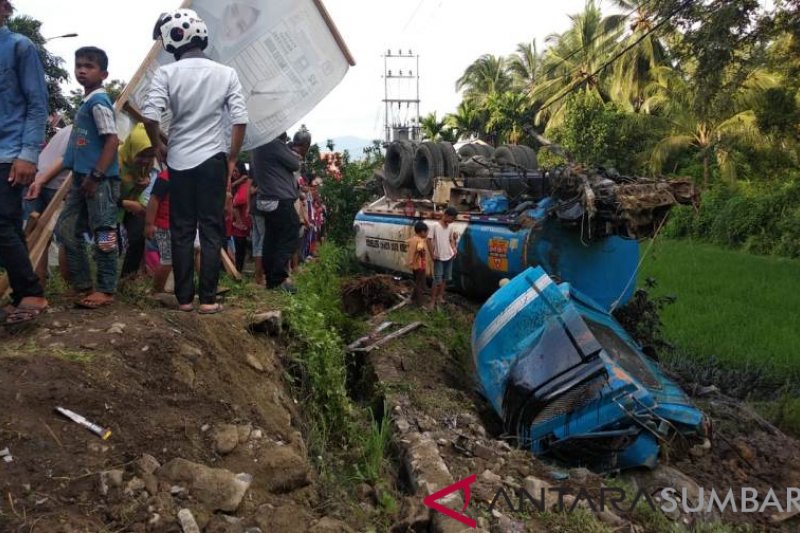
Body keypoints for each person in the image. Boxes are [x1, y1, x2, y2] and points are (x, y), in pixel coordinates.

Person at [142, 8, 249, 314]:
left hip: (179, 160)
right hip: (214, 159)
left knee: (182, 229)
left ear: (174, 41)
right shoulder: (226, 73)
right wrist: (231, 158)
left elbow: (151, 116)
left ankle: (185, 299)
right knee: (212, 230)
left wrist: (157, 144)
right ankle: (210, 300)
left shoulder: (166, 73)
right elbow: (240, 120)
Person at [56, 46, 121, 310]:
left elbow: (112, 140)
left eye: (89, 66)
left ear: (103, 74)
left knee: (105, 232)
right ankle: (83, 285)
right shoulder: (86, 102)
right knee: (66, 229)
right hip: (81, 178)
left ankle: (106, 289)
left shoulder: (99, 103)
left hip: (100, 181)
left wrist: (96, 175)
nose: (82, 70)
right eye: (79, 65)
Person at [0, 0, 49, 325]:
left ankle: (30, 292)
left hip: (10, 153)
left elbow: (37, 103)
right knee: (8, 225)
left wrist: (28, 154)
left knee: (2, 223)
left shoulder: (20, 47)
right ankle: (24, 293)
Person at [251, 132, 302, 293]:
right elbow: (295, 164)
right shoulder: (272, 144)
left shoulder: (257, 145)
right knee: (290, 232)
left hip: (266, 198)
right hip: (279, 199)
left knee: (271, 239)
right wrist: (288, 149)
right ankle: (279, 277)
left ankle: (271, 279)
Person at [25, 125, 72, 284]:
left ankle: (38, 286)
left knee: (39, 237)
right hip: (53, 185)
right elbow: (66, 158)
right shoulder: (85, 130)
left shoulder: (68, 128)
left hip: (39, 178)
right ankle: (73, 287)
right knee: (67, 238)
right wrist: (41, 181)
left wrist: (39, 180)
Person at [118, 123, 156, 278]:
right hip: (108, 207)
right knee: (107, 243)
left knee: (138, 237)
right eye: (141, 155)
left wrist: (145, 181)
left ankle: (127, 278)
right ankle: (103, 284)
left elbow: (143, 177)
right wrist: (125, 204)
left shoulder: (146, 164)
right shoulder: (114, 163)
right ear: (133, 148)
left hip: (133, 202)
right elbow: (102, 197)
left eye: (150, 155)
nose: (146, 161)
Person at [144, 169, 172, 295]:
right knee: (167, 259)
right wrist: (149, 224)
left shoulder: (184, 174)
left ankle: (160, 290)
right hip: (163, 225)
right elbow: (154, 199)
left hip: (176, 224)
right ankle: (155, 291)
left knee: (170, 259)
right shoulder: (165, 177)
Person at [428, 207, 459, 308]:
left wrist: (454, 249)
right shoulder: (435, 226)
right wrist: (432, 255)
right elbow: (428, 240)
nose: (452, 221)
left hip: (449, 256)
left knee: (445, 278)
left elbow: (451, 240)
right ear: (446, 215)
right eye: (452, 218)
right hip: (439, 257)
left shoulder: (450, 227)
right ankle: (432, 301)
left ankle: (440, 297)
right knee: (437, 280)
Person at [230, 162, 251, 273]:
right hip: (241, 223)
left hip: (242, 224)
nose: (234, 173)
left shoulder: (244, 185)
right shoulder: (239, 183)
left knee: (240, 250)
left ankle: (238, 270)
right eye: (233, 171)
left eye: (236, 171)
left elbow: (239, 200)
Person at [405, 221, 432, 307]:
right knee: (419, 284)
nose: (427, 234)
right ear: (422, 232)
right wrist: (422, 252)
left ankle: (412, 298)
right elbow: (420, 250)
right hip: (420, 265)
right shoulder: (420, 241)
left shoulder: (413, 239)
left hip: (414, 265)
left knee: (417, 281)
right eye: (426, 232)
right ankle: (420, 303)